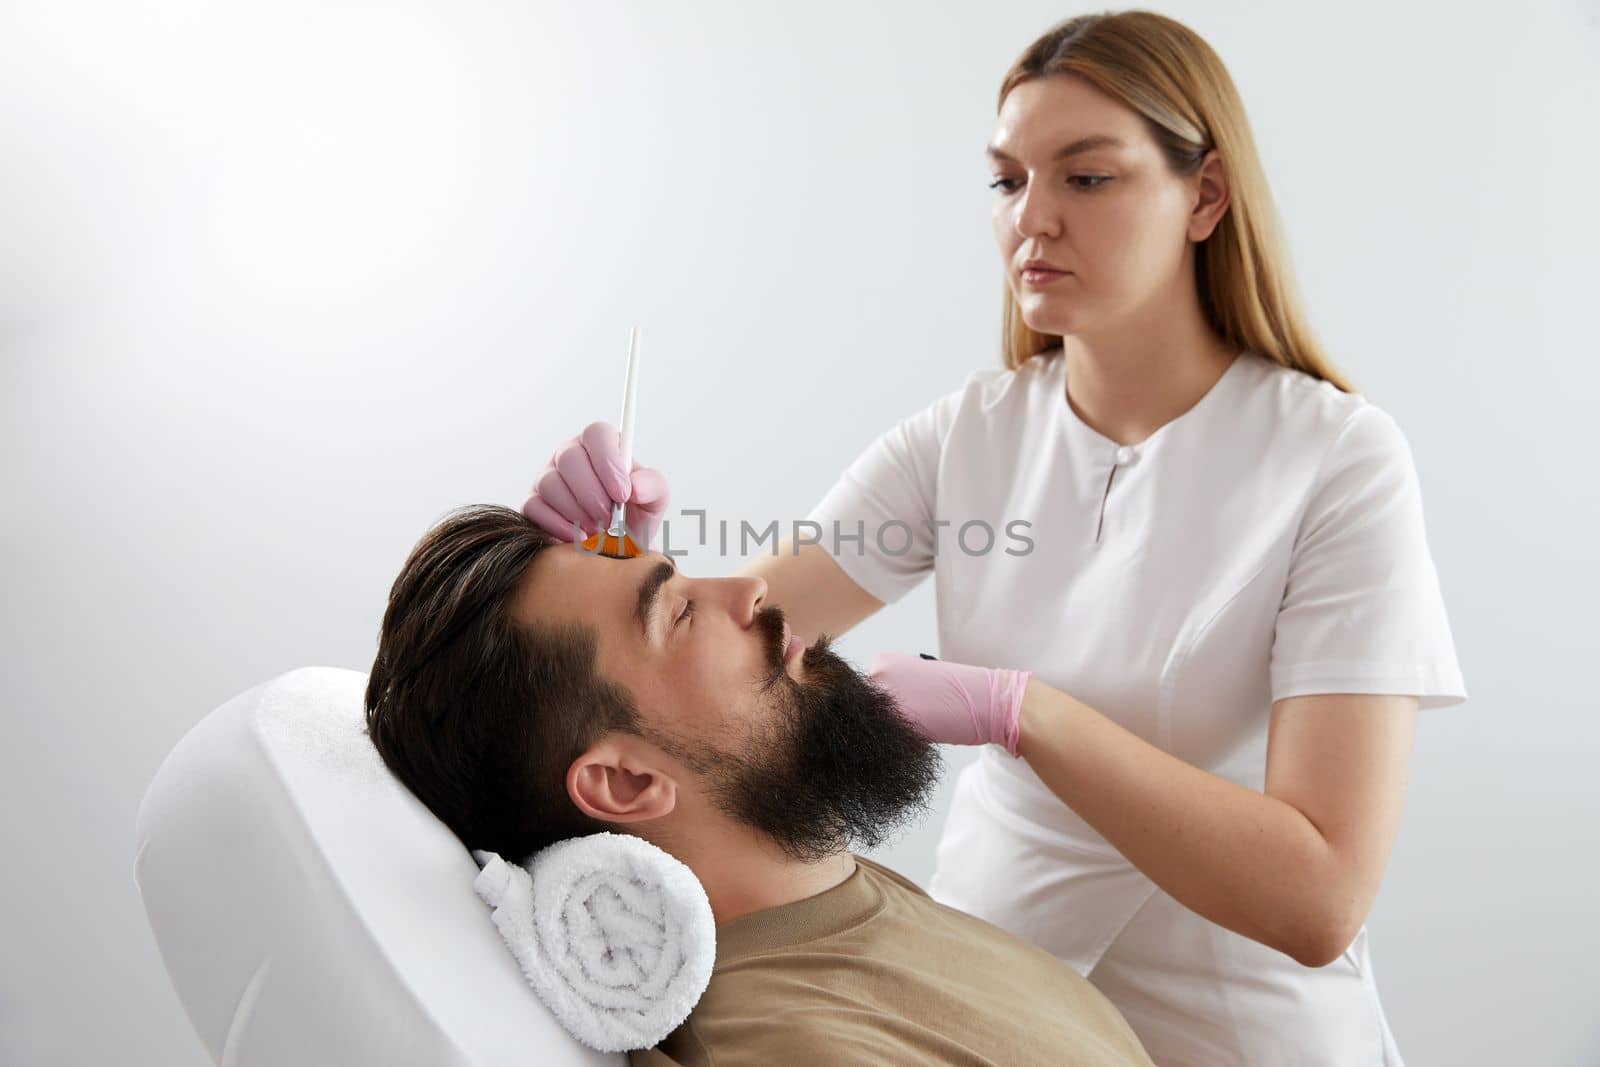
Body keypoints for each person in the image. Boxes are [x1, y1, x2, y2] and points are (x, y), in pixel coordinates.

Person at [522, 11, 1468, 1065]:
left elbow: (1318, 895)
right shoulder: (964, 438)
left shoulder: (1337, 461)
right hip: (983, 1009)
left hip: (1240, 1031)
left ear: (1203, 196)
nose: (1033, 219)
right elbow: (727, 646)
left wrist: (1028, 715)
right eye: (1007, 180)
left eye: (1086, 178)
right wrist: (614, 563)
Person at [364, 505, 1154, 1066]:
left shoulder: (833, 891)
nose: (750, 592)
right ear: (623, 781)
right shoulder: (796, 1046)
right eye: (677, 613)